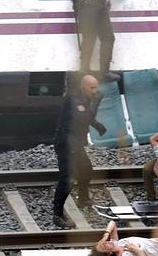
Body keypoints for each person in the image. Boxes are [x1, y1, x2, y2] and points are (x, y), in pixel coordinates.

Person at [70, 0, 149, 81]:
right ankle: (104, 72)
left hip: (83, 10)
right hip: (98, 9)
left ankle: (84, 69)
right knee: (107, 38)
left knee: (88, 38)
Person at [52, 74, 106, 228]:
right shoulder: (73, 99)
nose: (95, 91)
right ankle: (57, 214)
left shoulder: (84, 98)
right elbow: (85, 117)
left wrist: (98, 126)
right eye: (92, 88)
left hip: (74, 141)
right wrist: (97, 102)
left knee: (86, 169)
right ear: (83, 87)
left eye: (96, 87)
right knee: (68, 177)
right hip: (66, 142)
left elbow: (86, 116)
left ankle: (82, 198)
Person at [90, 220, 158, 256]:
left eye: (101, 242)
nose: (105, 242)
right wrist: (137, 251)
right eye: (103, 246)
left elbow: (112, 223)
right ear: (108, 253)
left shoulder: (116, 243)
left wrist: (105, 236)